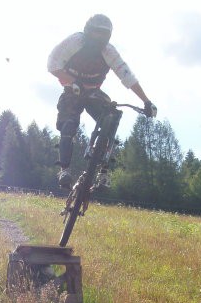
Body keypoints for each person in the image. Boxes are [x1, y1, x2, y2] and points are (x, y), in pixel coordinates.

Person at [47, 14, 157, 188]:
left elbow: (127, 76)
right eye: (96, 33)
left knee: (112, 116)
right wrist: (71, 81)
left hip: (93, 92)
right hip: (72, 90)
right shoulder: (74, 42)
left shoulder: (109, 51)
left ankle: (103, 170)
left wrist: (146, 101)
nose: (100, 37)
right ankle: (64, 170)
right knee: (69, 124)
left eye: (104, 34)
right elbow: (53, 64)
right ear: (87, 31)